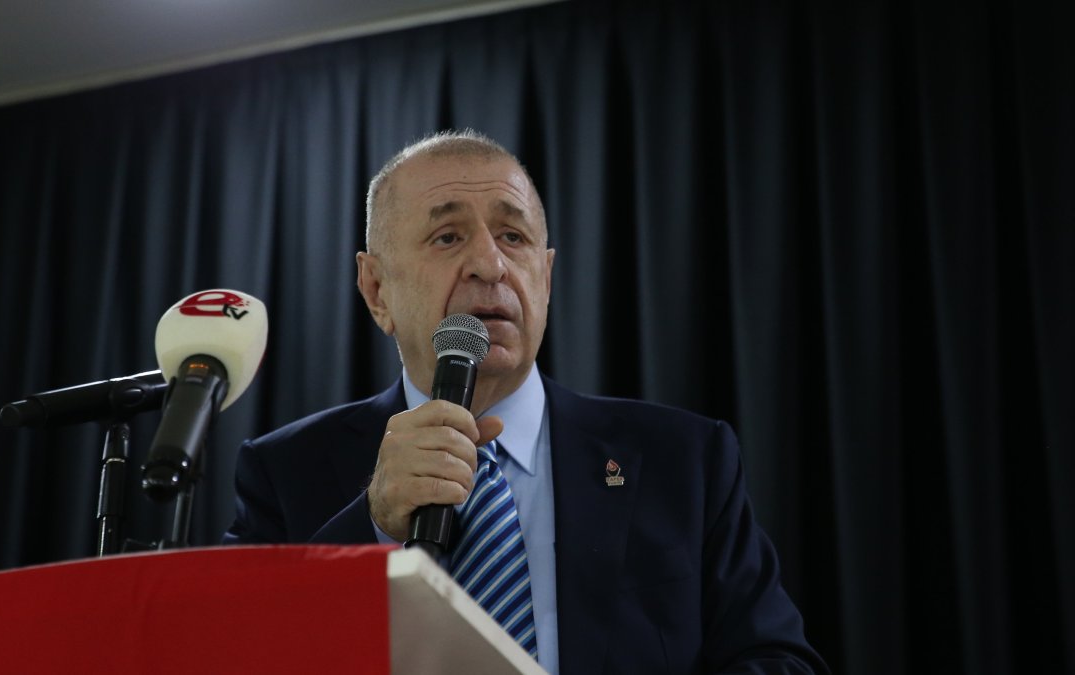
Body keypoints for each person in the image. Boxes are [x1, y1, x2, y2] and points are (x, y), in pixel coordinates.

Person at [224, 129, 828, 674]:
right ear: (376, 289)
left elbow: (778, 661)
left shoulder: (684, 459)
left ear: (546, 274)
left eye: (513, 237)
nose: (491, 264)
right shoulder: (285, 472)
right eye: (447, 235)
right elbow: (240, 655)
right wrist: (371, 529)